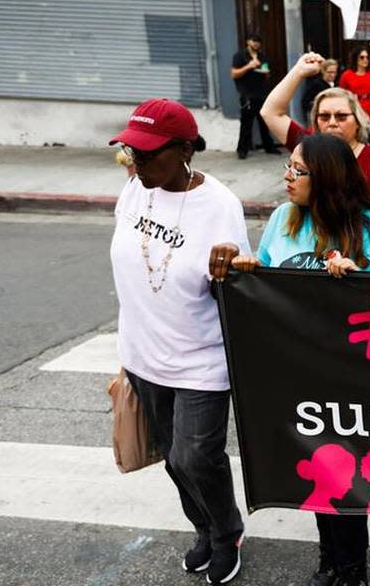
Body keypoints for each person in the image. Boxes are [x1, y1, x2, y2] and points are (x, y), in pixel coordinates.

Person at [209, 132, 370, 586]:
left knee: (348, 476)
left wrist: (360, 280)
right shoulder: (283, 218)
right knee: (316, 470)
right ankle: (328, 561)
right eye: (289, 166)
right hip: (297, 375)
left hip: (357, 378)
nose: (287, 176)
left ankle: (352, 567)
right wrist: (251, 271)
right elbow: (272, 279)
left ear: (328, 178)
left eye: (298, 170)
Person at [108, 98, 249, 585]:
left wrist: (228, 269)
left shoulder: (219, 205)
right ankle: (204, 529)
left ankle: (228, 531)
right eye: (132, 152)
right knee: (172, 459)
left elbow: (240, 289)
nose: (137, 162)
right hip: (144, 356)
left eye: (148, 153)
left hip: (200, 361)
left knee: (195, 456)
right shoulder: (134, 191)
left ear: (185, 149)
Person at [260, 52, 370, 215]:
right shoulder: (306, 149)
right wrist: (298, 71)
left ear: (357, 120)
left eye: (341, 116)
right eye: (324, 116)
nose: (332, 123)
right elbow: (270, 112)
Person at [231, 33, 281, 159]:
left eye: (258, 41)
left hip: (262, 93)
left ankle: (268, 146)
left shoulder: (262, 56)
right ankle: (242, 150)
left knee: (264, 121)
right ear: (248, 42)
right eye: (254, 41)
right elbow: (234, 74)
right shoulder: (240, 56)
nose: (256, 43)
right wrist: (249, 66)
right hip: (247, 94)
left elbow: (266, 73)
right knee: (246, 123)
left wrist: (266, 73)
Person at [339, 45, 370, 132]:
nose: (365, 60)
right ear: (355, 58)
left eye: (367, 57)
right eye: (362, 57)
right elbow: (342, 96)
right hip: (354, 111)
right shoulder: (346, 75)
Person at [301, 58, 339, 125]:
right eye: (330, 72)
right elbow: (305, 102)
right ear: (323, 71)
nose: (332, 75)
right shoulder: (316, 84)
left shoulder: (337, 84)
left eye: (334, 72)